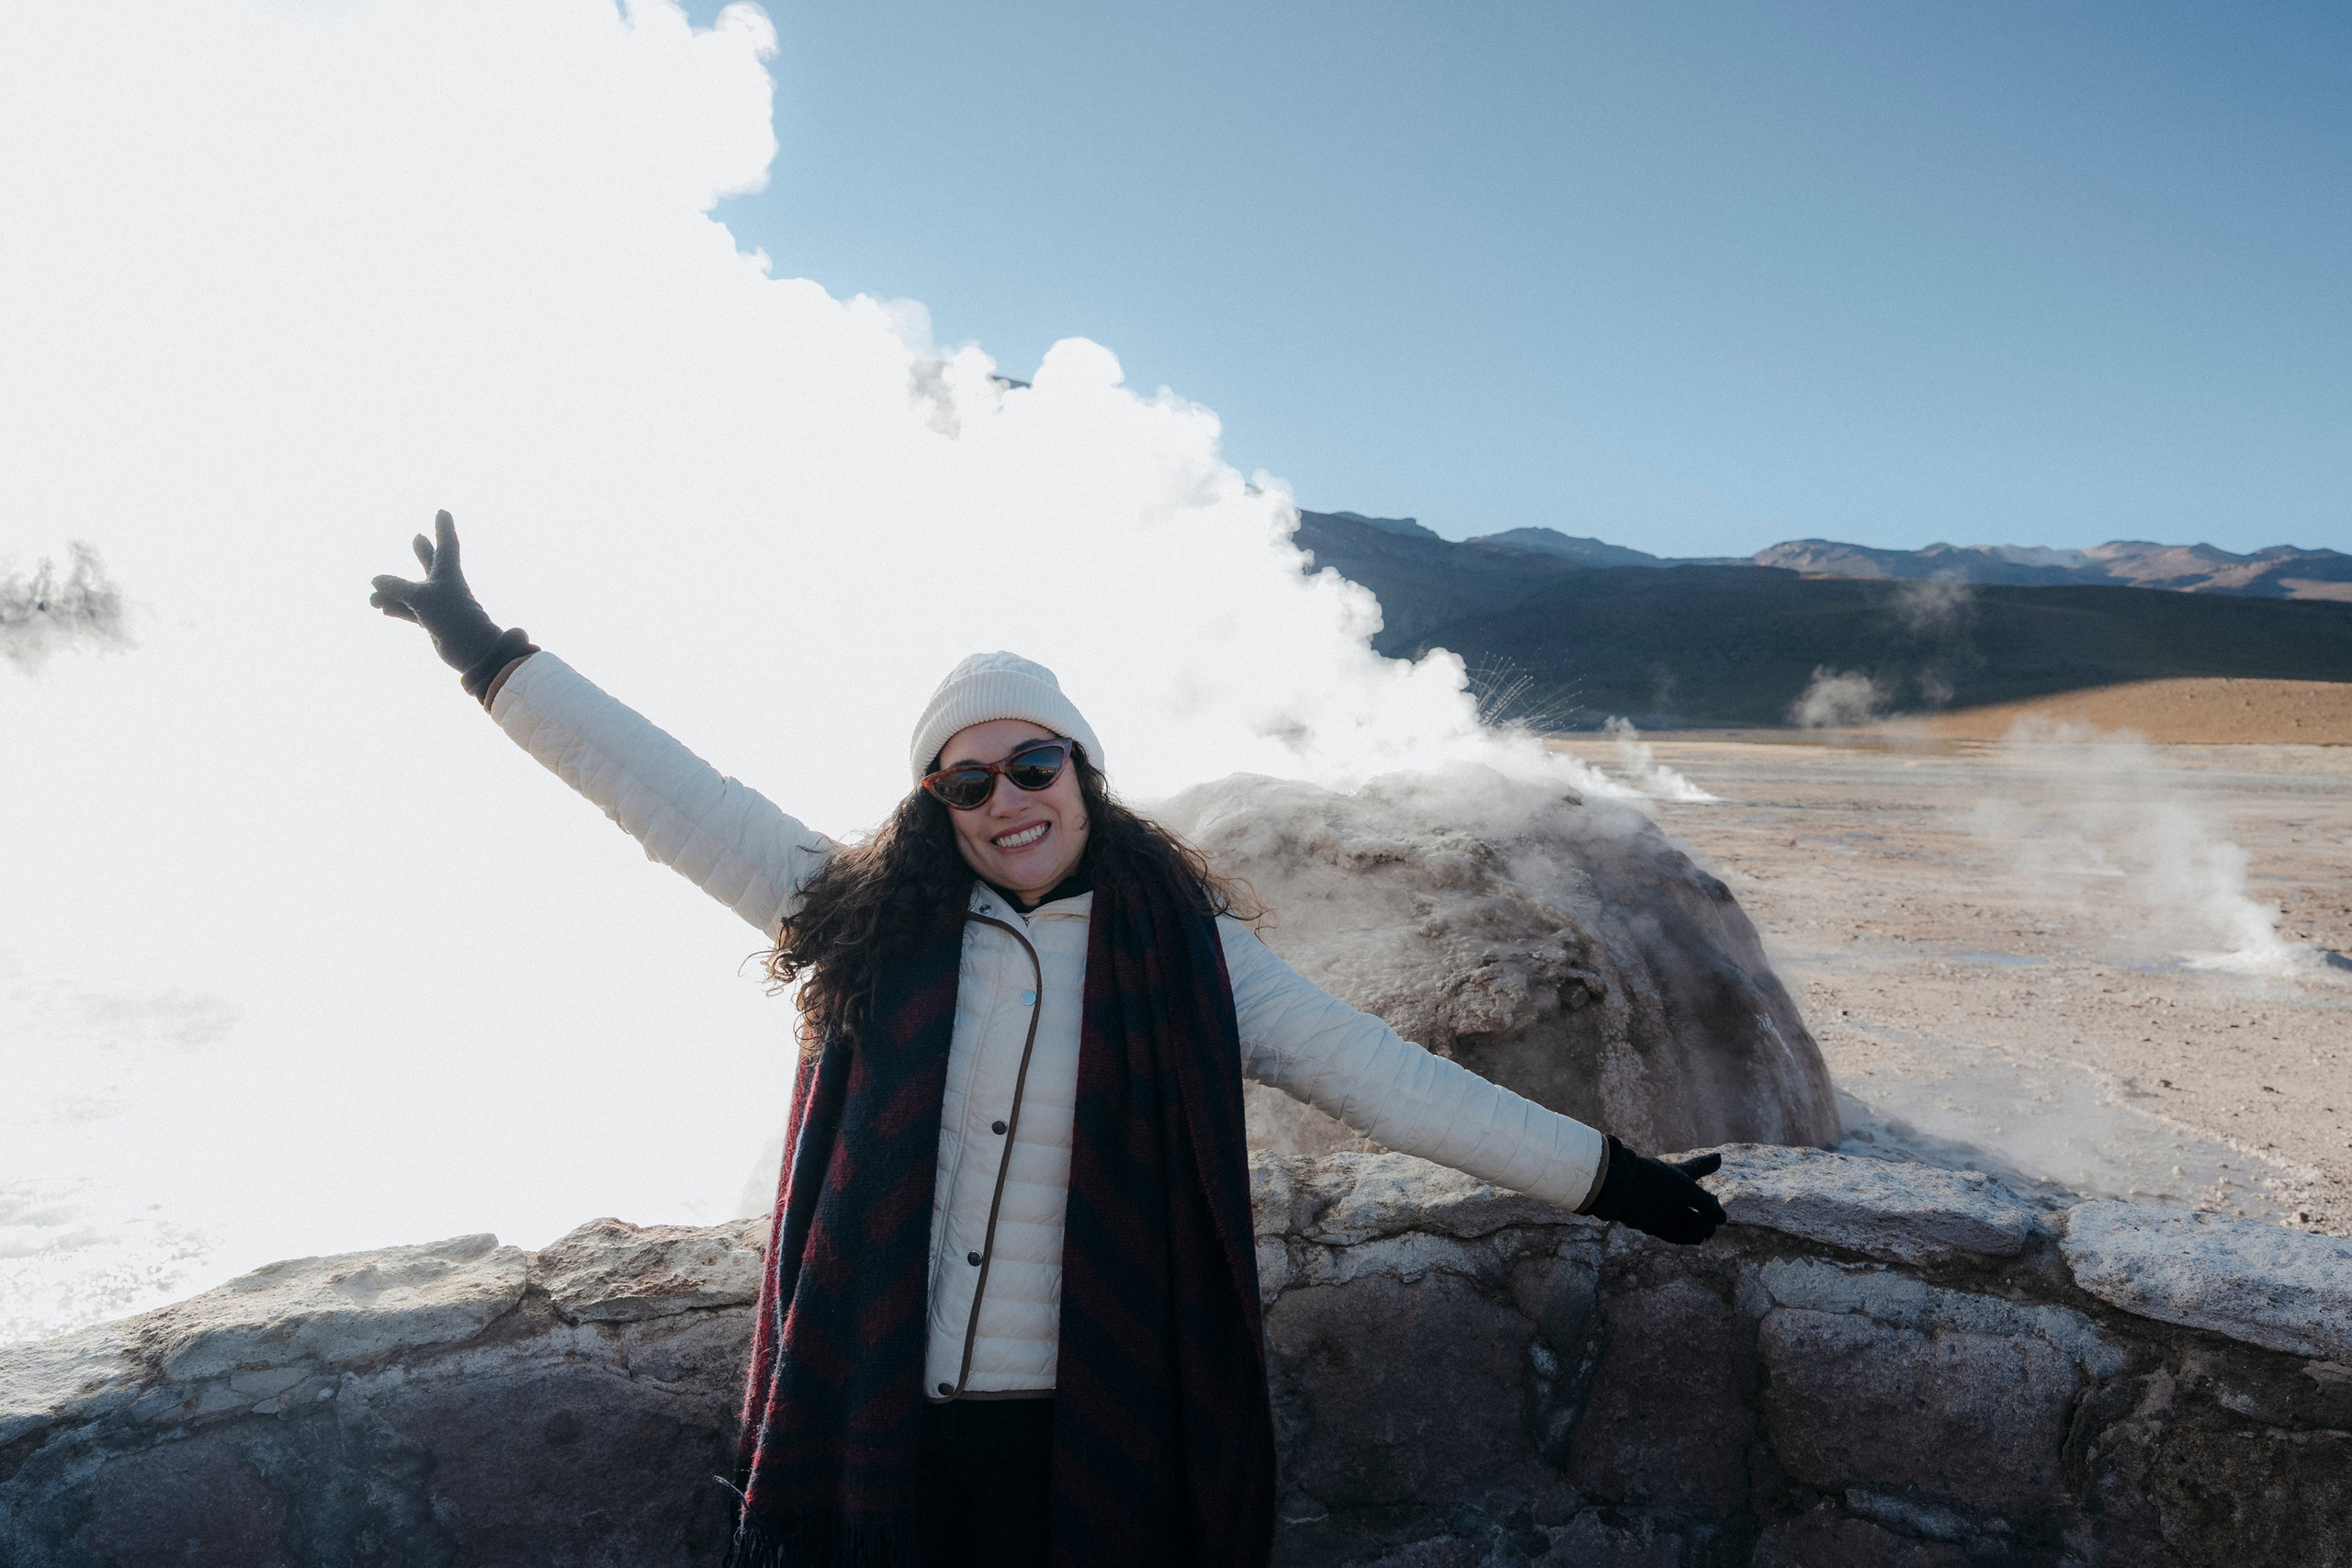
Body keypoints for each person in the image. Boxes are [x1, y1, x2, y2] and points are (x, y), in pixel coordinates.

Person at [370, 512, 1726, 1568]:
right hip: (885, 1415)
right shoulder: (867, 922)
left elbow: (1392, 1084)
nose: (1007, 800)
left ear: (1083, 770)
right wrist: (491, 658)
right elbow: (666, 792)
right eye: (967, 782)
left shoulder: (1195, 958)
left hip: (1091, 1425)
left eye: (1034, 765)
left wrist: (1617, 1180)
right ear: (938, 805)